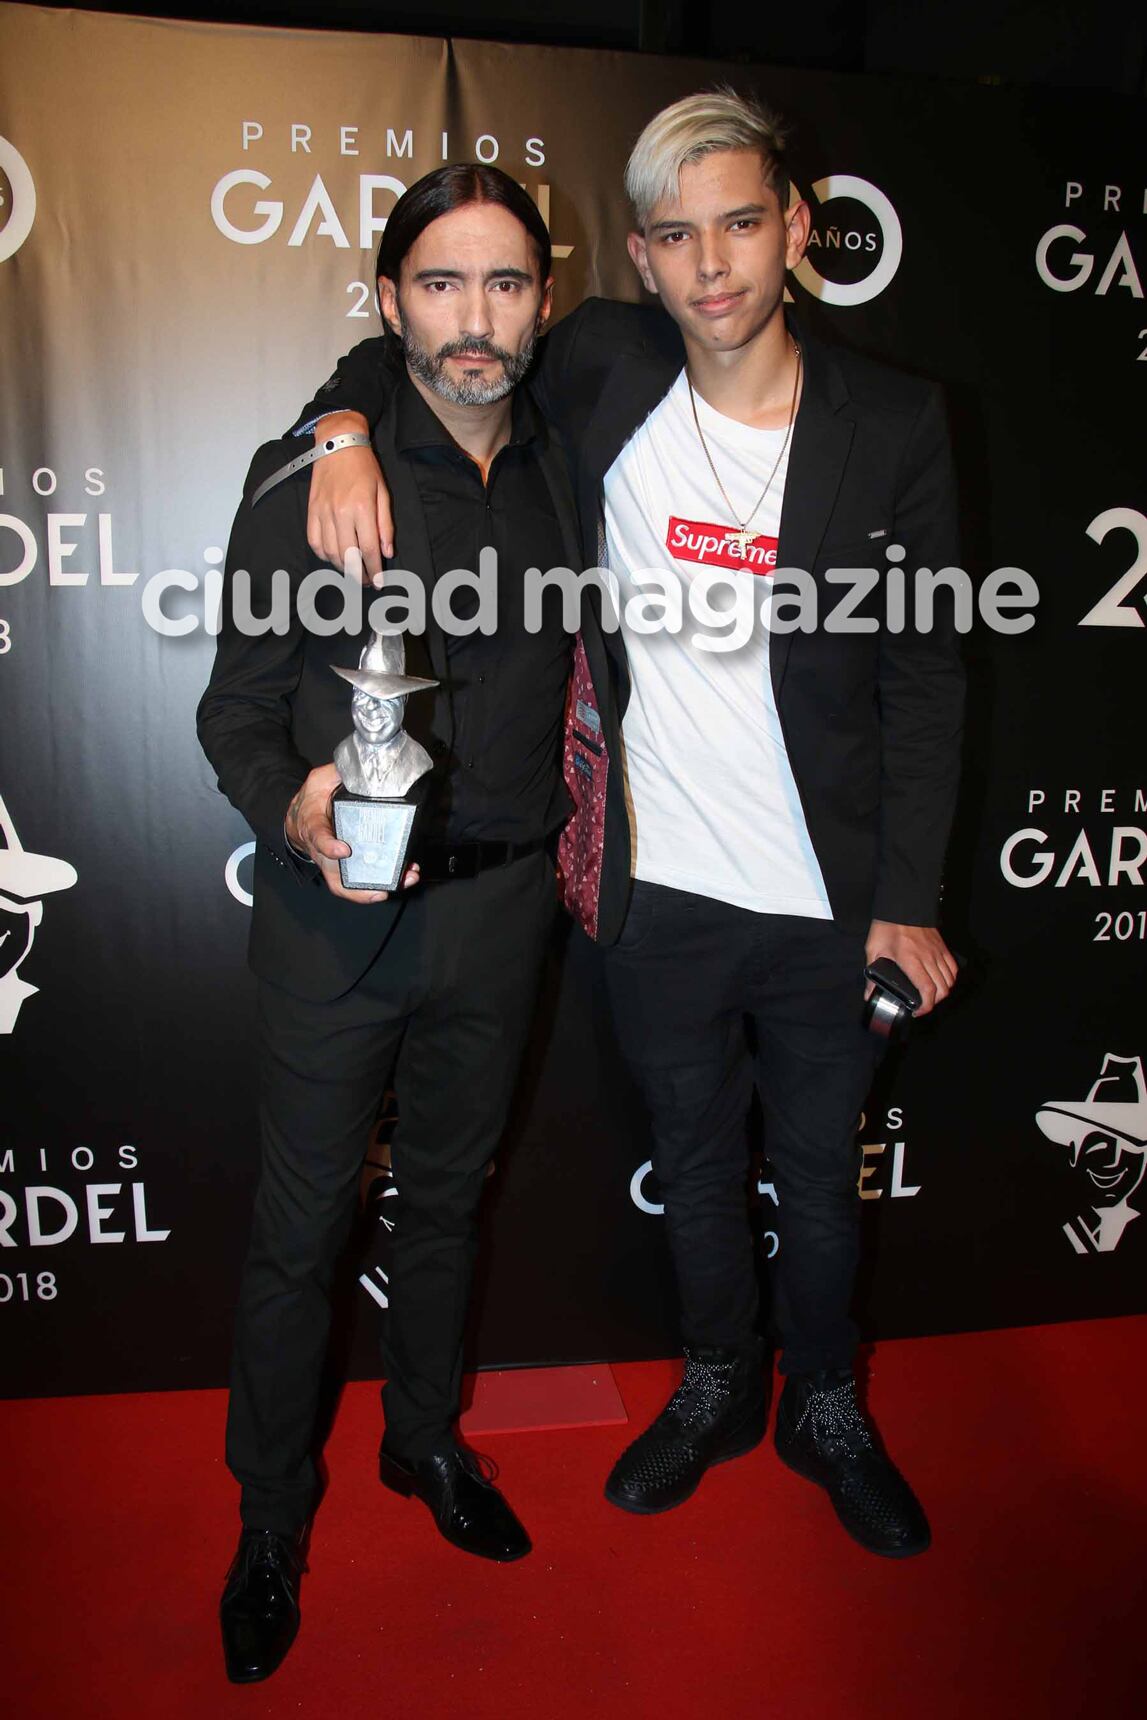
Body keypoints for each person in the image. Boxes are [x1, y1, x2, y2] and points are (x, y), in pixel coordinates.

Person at [286, 88, 965, 1560]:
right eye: (674, 236)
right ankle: (720, 1386)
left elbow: (925, 671)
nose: (711, 265)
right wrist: (340, 425)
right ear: (640, 262)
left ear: (796, 228)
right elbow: (412, 334)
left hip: (831, 900)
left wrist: (906, 898)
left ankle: (827, 1403)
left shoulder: (895, 422)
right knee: (699, 1168)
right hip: (657, 888)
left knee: (825, 1188)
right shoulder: (597, 362)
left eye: (738, 223)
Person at [197, 161, 627, 1685]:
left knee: (447, 1205)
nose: (474, 317)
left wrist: (350, 403)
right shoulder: (306, 477)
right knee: (300, 1240)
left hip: (504, 915)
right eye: (439, 284)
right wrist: (291, 805)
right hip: (332, 924)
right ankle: (267, 1521)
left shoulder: (578, 463)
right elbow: (235, 710)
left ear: (544, 302)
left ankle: (425, 1447)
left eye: (505, 283)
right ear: (388, 304)